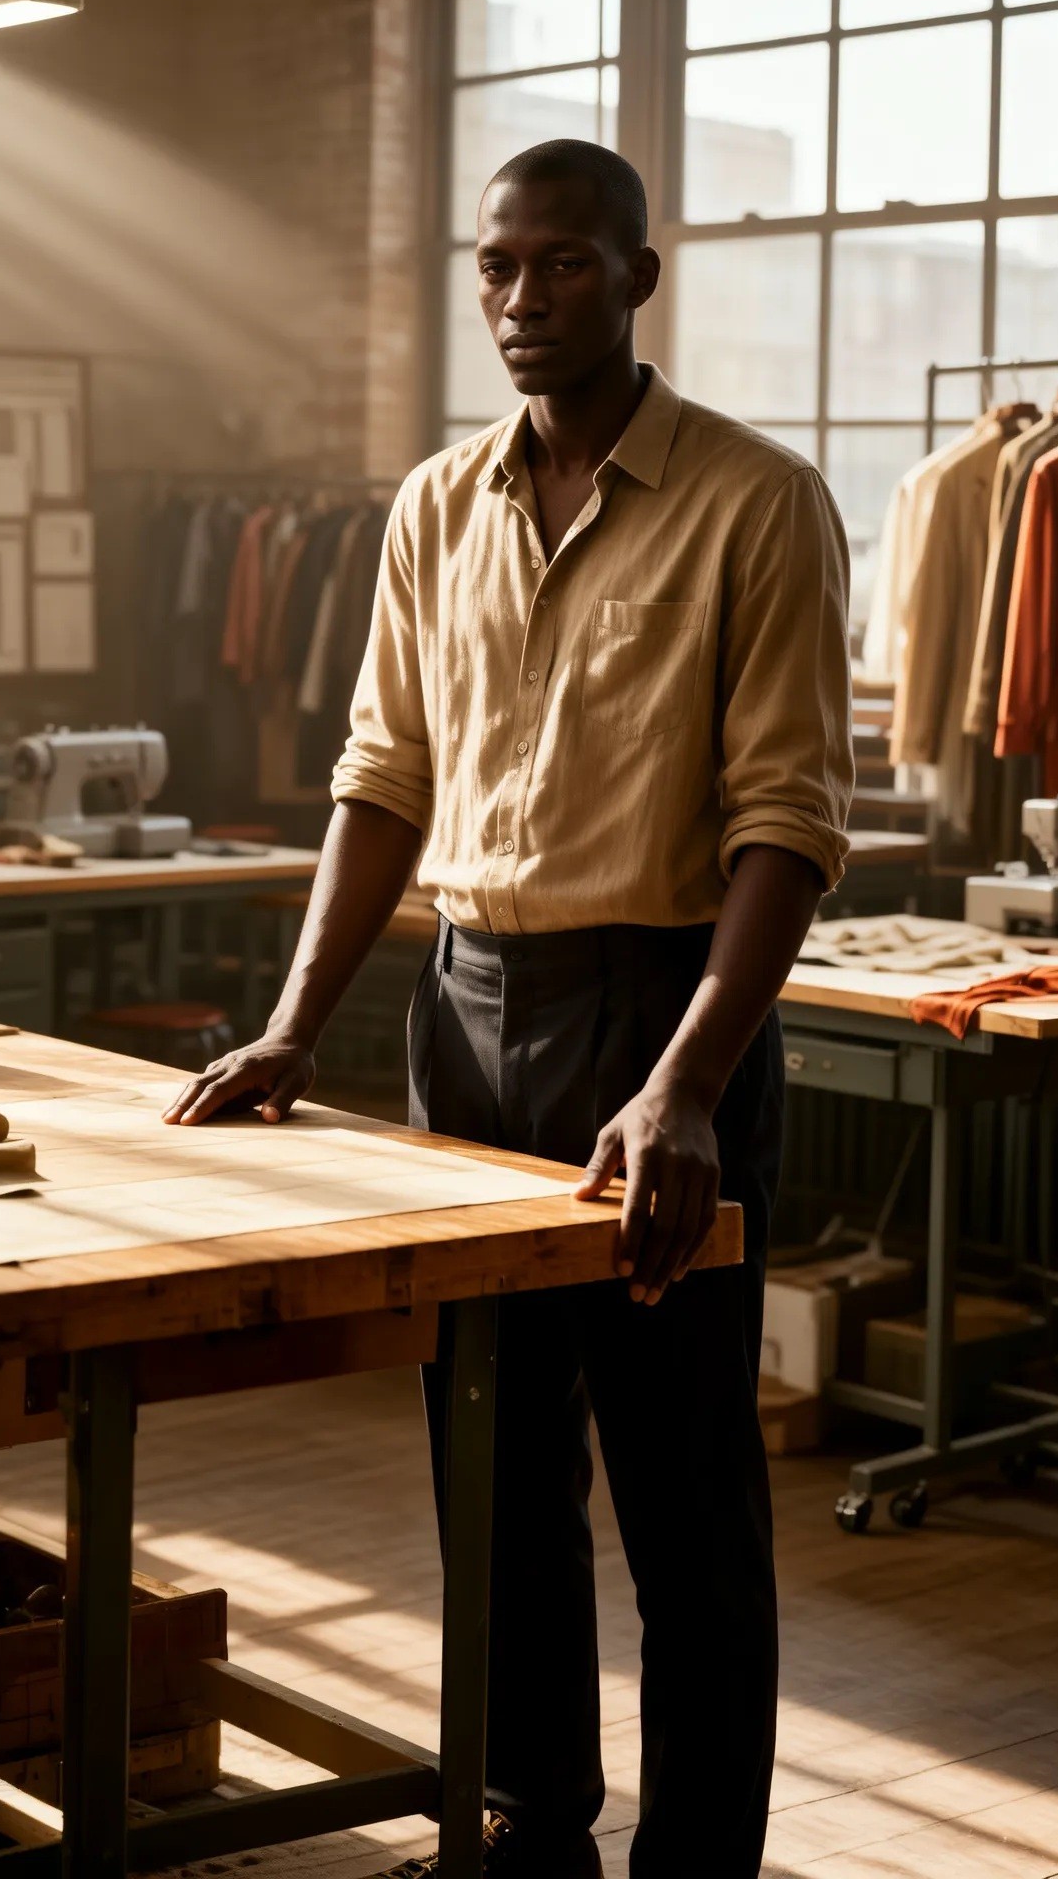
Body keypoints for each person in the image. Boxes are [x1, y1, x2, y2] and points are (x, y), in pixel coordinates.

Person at [165, 138, 854, 1877]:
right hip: (465, 1024)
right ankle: (532, 1825)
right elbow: (382, 780)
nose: (523, 298)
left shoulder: (758, 505)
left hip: (661, 1025)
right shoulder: (431, 507)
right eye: (498, 267)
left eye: (561, 265)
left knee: (685, 1495)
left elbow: (789, 820)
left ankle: (696, 1864)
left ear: (639, 275)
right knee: (495, 1476)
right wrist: (297, 1020)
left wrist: (692, 1083)